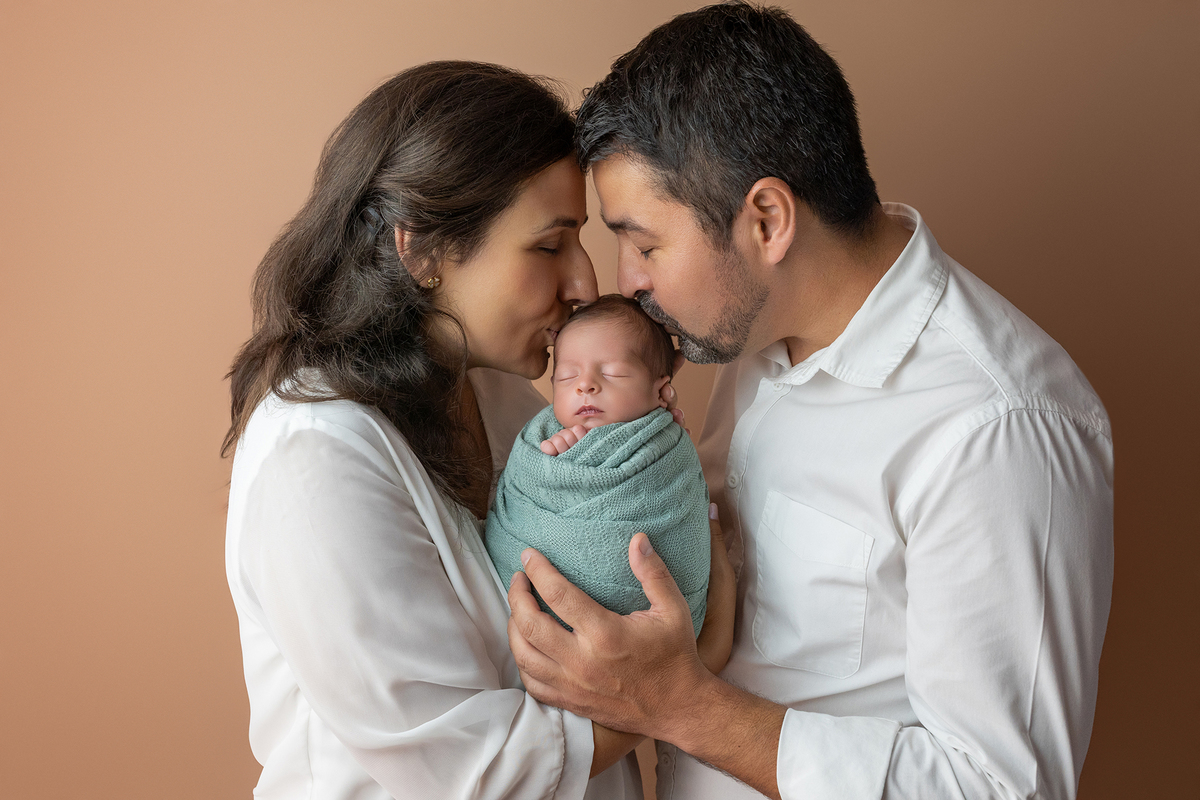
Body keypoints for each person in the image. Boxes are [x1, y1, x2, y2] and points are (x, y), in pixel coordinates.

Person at [506, 4, 1114, 800]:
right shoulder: (753, 334)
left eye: (646, 242)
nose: (627, 282)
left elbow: (1001, 789)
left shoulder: (1000, 428)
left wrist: (680, 707)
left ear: (766, 220)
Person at [221, 61, 733, 800]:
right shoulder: (316, 459)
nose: (588, 283)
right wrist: (694, 671)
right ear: (420, 250)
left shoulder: (501, 399)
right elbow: (466, 771)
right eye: (550, 244)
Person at [486, 294, 711, 637]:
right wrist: (560, 462)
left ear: (662, 392)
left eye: (613, 372)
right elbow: (537, 480)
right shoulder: (548, 436)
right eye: (566, 376)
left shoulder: (666, 442)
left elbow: (677, 495)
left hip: (650, 618)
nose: (585, 384)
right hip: (538, 598)